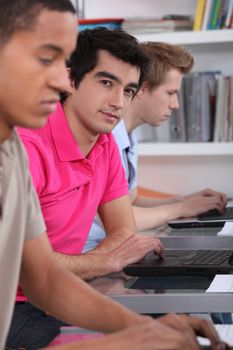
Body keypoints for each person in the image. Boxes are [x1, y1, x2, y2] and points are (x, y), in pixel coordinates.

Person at [2, 19, 223, 350]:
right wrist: (104, 261)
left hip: (65, 292)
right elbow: (29, 271)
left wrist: (96, 265)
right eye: (107, 82)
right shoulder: (27, 147)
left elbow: (123, 230)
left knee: (185, 328)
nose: (119, 101)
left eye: (129, 90)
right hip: (14, 308)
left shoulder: (104, 144)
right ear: (72, 80)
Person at [83, 41, 228, 252]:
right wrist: (179, 208)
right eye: (170, 93)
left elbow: (131, 200)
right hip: (94, 251)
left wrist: (185, 200)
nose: (175, 104)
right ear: (142, 89)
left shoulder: (130, 135)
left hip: (111, 246)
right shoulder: (107, 137)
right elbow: (115, 219)